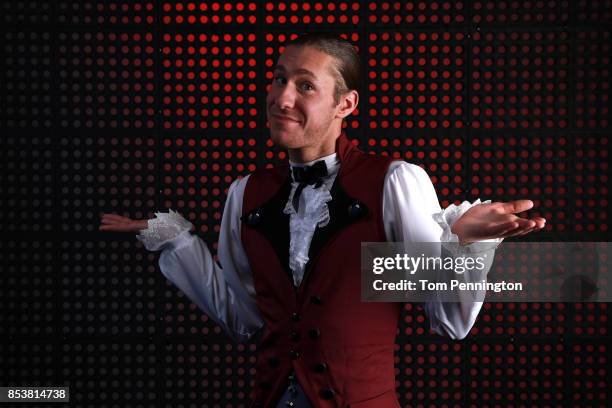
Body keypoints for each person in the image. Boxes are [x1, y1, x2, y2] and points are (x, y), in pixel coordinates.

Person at [100, 33, 545, 408]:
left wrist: (465, 244)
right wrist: (174, 240)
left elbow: (451, 319)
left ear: (345, 104)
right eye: (278, 79)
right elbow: (243, 318)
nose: (281, 97)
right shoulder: (245, 193)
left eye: (305, 85)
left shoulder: (394, 184)